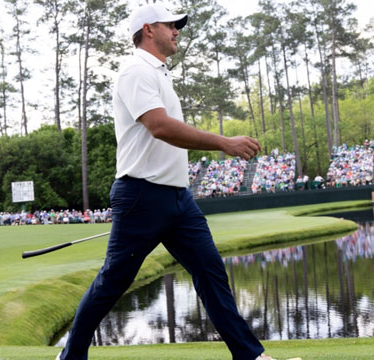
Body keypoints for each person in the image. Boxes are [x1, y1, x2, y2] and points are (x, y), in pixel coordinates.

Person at [56, 4, 287, 360]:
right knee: (112, 283)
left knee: (212, 275)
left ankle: (250, 356)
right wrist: (224, 143)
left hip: (178, 199)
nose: (177, 30)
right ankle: (70, 357)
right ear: (148, 29)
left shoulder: (159, 73)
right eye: (171, 25)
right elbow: (160, 127)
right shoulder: (135, 70)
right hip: (142, 195)